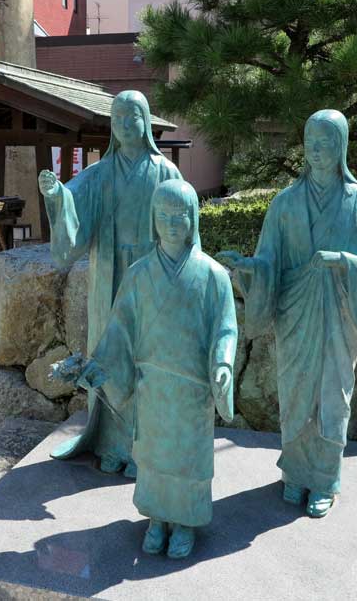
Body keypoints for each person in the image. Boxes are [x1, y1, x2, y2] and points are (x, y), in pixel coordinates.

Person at [218, 109, 357, 518]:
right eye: (310, 141)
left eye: (325, 141)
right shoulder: (285, 203)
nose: (316, 150)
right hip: (295, 312)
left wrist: (345, 261)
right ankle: (295, 473)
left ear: (341, 146)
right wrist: (247, 266)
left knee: (332, 395)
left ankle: (325, 479)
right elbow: (268, 261)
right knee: (294, 393)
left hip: (338, 312)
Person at [77, 179, 236, 559]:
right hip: (153, 388)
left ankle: (184, 522)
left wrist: (224, 363)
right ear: (153, 220)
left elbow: (226, 328)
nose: (171, 223)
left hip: (191, 388)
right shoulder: (138, 274)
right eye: (163, 215)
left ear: (194, 218)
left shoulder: (213, 275)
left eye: (180, 215)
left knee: (187, 458)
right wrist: (95, 367)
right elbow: (119, 330)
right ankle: (157, 519)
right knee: (153, 456)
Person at [38, 90, 182, 475]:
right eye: (117, 119)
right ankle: (111, 443)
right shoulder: (101, 172)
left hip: (151, 280)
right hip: (109, 274)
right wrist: (56, 196)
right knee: (108, 355)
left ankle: (143, 446)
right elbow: (73, 200)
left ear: (146, 122)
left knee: (145, 357)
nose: (124, 124)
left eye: (132, 117)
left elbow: (183, 221)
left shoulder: (165, 172)